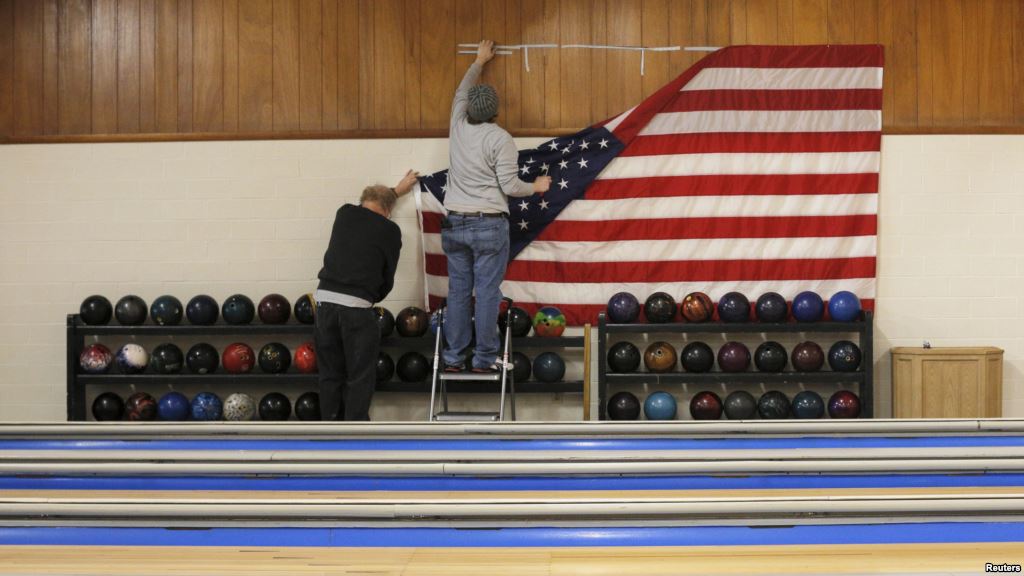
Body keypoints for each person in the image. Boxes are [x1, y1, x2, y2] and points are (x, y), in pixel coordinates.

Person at [442, 40, 551, 374]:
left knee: (458, 292)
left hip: (454, 222)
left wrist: (478, 62)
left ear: (467, 110)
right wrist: (537, 187)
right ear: (494, 111)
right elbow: (510, 186)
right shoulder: (500, 138)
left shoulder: (457, 126)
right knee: (487, 292)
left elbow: (462, 91)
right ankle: (485, 359)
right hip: (489, 224)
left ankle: (453, 358)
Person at [315, 170, 418, 420]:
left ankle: (328, 428)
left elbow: (373, 204)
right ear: (389, 210)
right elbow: (387, 279)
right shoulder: (390, 231)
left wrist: (394, 191)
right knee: (359, 375)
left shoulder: (344, 213)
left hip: (324, 302)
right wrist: (372, 297)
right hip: (356, 308)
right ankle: (354, 431)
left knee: (330, 374)